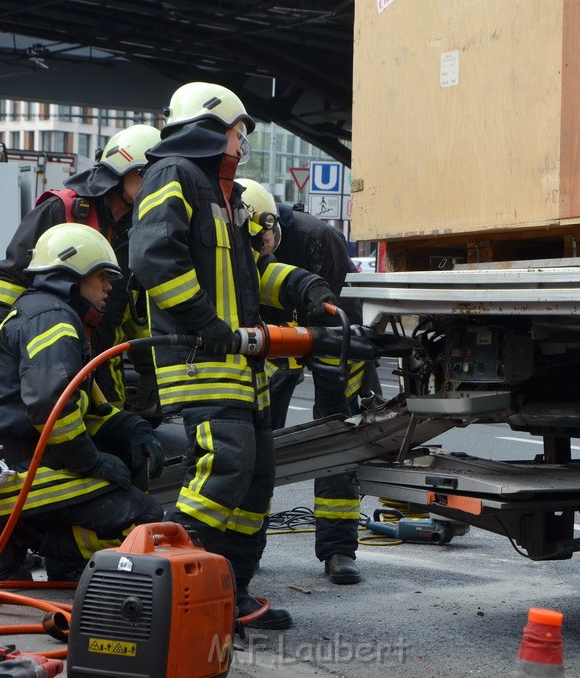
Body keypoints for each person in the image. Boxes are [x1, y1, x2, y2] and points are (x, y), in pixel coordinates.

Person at [130, 82, 337, 629]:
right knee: (226, 468)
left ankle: (230, 596)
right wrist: (207, 325)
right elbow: (153, 260)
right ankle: (171, 586)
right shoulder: (172, 174)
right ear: (210, 126)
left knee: (255, 479)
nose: (242, 144)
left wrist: (307, 290)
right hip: (201, 359)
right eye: (238, 132)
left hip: (240, 367)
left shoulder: (225, 194)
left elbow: (250, 276)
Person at [0, 223, 163, 581]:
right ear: (72, 275)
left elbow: (89, 407)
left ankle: (19, 542)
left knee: (119, 473)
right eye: (101, 276)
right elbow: (51, 405)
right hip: (11, 474)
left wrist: (134, 429)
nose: (109, 286)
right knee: (145, 520)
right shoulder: (53, 319)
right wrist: (91, 462)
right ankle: (39, 543)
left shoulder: (39, 313)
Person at [238, 178, 372, 585]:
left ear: (273, 225)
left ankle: (338, 550)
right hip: (270, 347)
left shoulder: (316, 239)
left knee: (336, 436)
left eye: (265, 240)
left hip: (332, 340)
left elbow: (341, 315)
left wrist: (339, 373)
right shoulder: (232, 247)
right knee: (256, 445)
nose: (261, 250)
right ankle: (247, 549)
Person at [0, 124, 162, 440]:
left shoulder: (140, 227)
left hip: (103, 362)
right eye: (149, 177)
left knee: (110, 444)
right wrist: (2, 341)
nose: (157, 189)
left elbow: (136, 312)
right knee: (50, 438)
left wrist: (150, 376)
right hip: (50, 354)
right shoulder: (63, 209)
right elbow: (13, 276)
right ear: (123, 170)